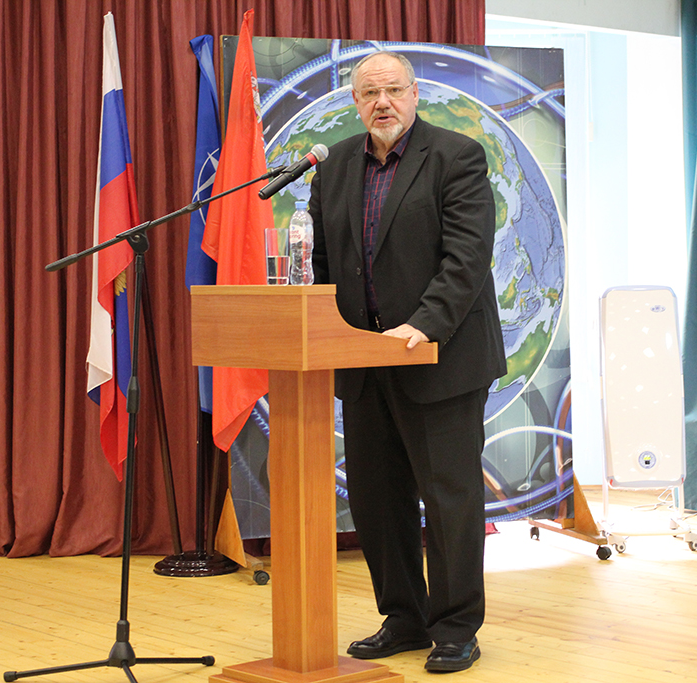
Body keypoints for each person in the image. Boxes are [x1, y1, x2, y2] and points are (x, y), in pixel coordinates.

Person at [308, 51, 506, 673]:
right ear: (354, 102)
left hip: (439, 357)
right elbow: (324, 263)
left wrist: (423, 324)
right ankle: (404, 617)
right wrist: (327, 330)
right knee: (377, 500)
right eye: (370, 93)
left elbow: (467, 256)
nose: (382, 102)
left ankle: (456, 627)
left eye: (393, 90)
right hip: (364, 362)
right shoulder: (333, 166)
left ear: (415, 94)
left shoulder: (456, 156)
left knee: (449, 501)